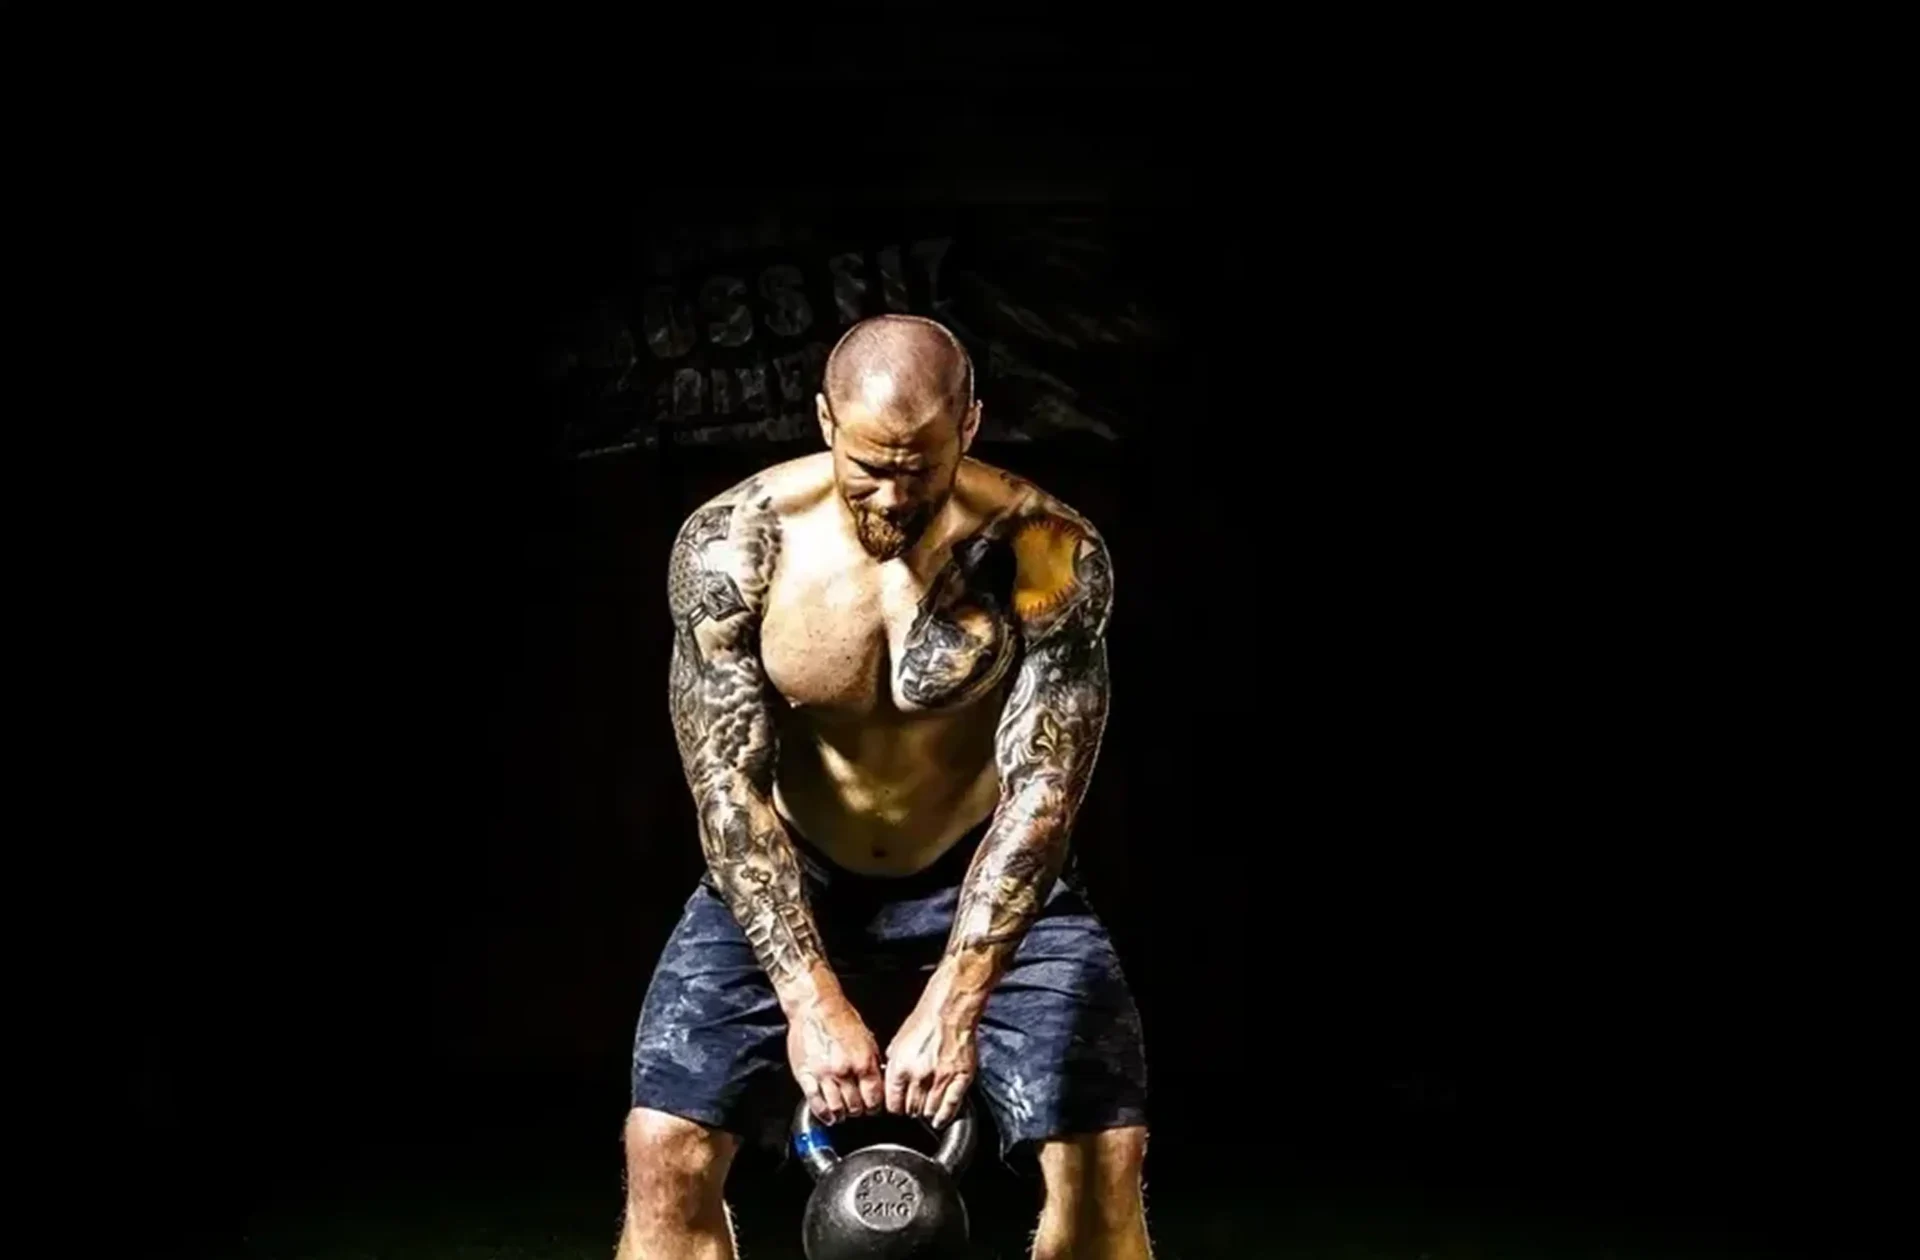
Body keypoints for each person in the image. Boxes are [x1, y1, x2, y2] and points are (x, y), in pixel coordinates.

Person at [617, 314, 1151, 1259]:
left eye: (922, 466)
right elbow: (726, 789)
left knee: (1101, 1158)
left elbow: (1042, 794)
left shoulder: (1044, 550)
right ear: (825, 420)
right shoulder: (738, 547)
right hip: (796, 870)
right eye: (870, 465)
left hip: (980, 868)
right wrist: (810, 998)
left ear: (972, 427)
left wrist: (954, 1002)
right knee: (666, 1153)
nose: (894, 494)